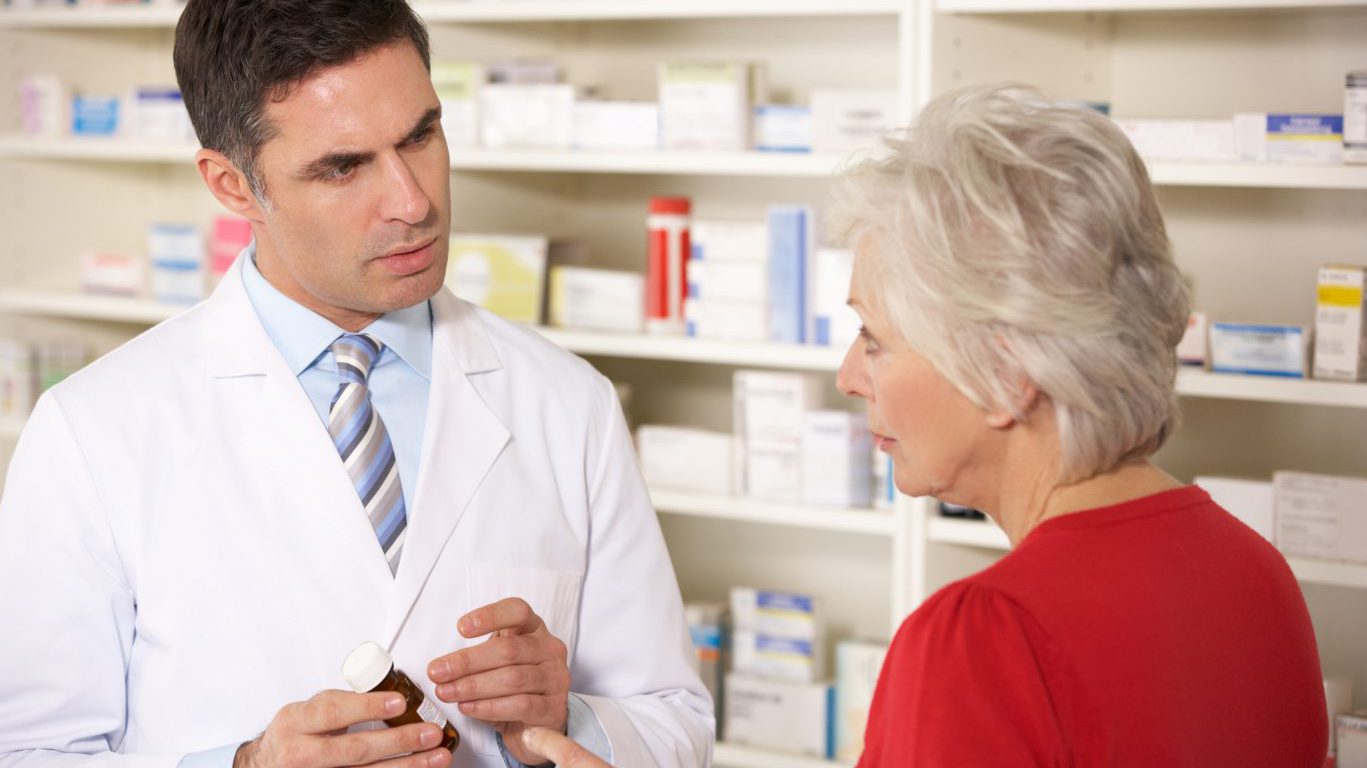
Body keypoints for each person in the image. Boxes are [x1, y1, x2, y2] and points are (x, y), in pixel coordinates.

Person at [0, 2, 711, 768]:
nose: (414, 202)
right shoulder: (93, 430)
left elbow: (674, 719)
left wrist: (565, 718)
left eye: (421, 136)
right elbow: (30, 750)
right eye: (342, 167)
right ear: (233, 185)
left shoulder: (569, 403)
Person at [832, 84, 1328, 765]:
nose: (848, 375)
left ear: (1005, 377)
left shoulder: (984, 639)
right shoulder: (1252, 572)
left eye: (872, 337)